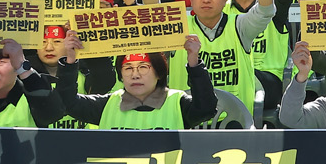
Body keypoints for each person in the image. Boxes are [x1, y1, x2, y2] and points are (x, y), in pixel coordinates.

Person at [49, 35, 221, 129]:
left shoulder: (177, 102)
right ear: (121, 75)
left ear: (159, 73)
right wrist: (70, 60)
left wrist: (194, 61)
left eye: (143, 67)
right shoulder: (108, 104)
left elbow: (206, 109)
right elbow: (67, 103)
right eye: (128, 68)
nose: (135, 75)